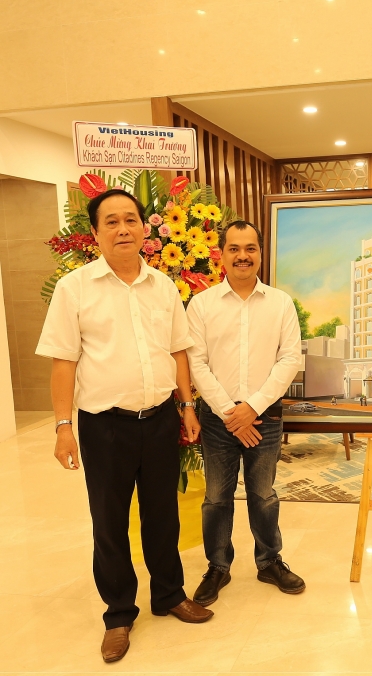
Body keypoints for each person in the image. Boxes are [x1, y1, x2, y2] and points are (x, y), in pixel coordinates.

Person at [36, 189, 214, 664]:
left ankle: (169, 594)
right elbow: (62, 361)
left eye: (130, 219)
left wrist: (187, 405)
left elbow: (178, 350)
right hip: (104, 425)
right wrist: (63, 426)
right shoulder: (74, 288)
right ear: (95, 233)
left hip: (158, 420)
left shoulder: (163, 286)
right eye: (111, 222)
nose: (122, 229)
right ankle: (118, 615)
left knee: (163, 513)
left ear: (143, 228)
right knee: (110, 521)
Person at [186, 220, 304, 607]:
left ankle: (269, 561)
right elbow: (196, 363)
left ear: (260, 254)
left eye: (250, 248)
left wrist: (251, 407)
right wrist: (229, 412)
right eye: (234, 248)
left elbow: (290, 359)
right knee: (216, 498)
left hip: (264, 417)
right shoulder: (202, 305)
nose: (242, 256)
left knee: (263, 494)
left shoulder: (281, 303)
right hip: (217, 418)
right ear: (221, 254)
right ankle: (217, 566)